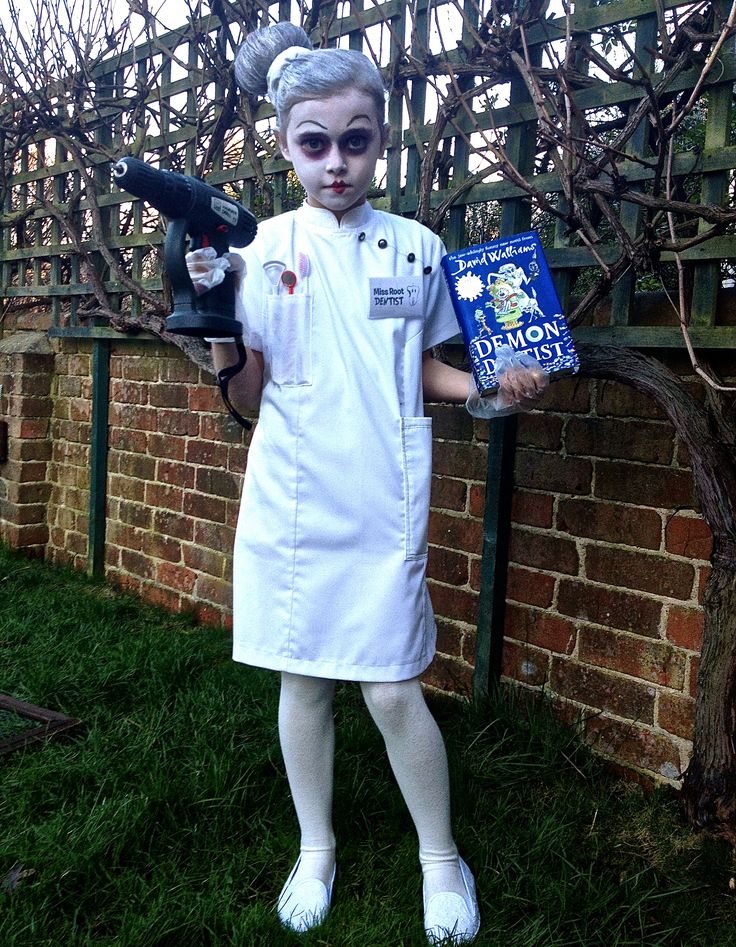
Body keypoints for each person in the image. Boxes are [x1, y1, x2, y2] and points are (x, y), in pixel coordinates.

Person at [190, 21, 546, 944]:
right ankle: (315, 846)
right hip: (293, 496)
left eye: (357, 139)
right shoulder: (254, 252)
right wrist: (219, 322)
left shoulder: (419, 249)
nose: (336, 162)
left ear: (383, 138)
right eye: (315, 143)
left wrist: (487, 388)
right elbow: (247, 399)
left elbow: (419, 372)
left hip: (384, 494)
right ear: (285, 146)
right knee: (302, 684)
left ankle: (441, 857)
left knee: (392, 689)